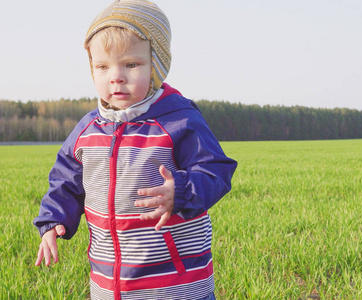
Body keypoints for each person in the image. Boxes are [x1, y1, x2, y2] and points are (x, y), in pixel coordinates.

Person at [33, 1, 237, 299]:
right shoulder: (87, 130)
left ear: (156, 66)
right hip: (109, 283)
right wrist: (53, 220)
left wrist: (180, 192)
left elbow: (216, 169)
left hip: (176, 285)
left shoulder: (178, 119)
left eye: (131, 64)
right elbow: (65, 181)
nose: (116, 76)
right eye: (102, 66)